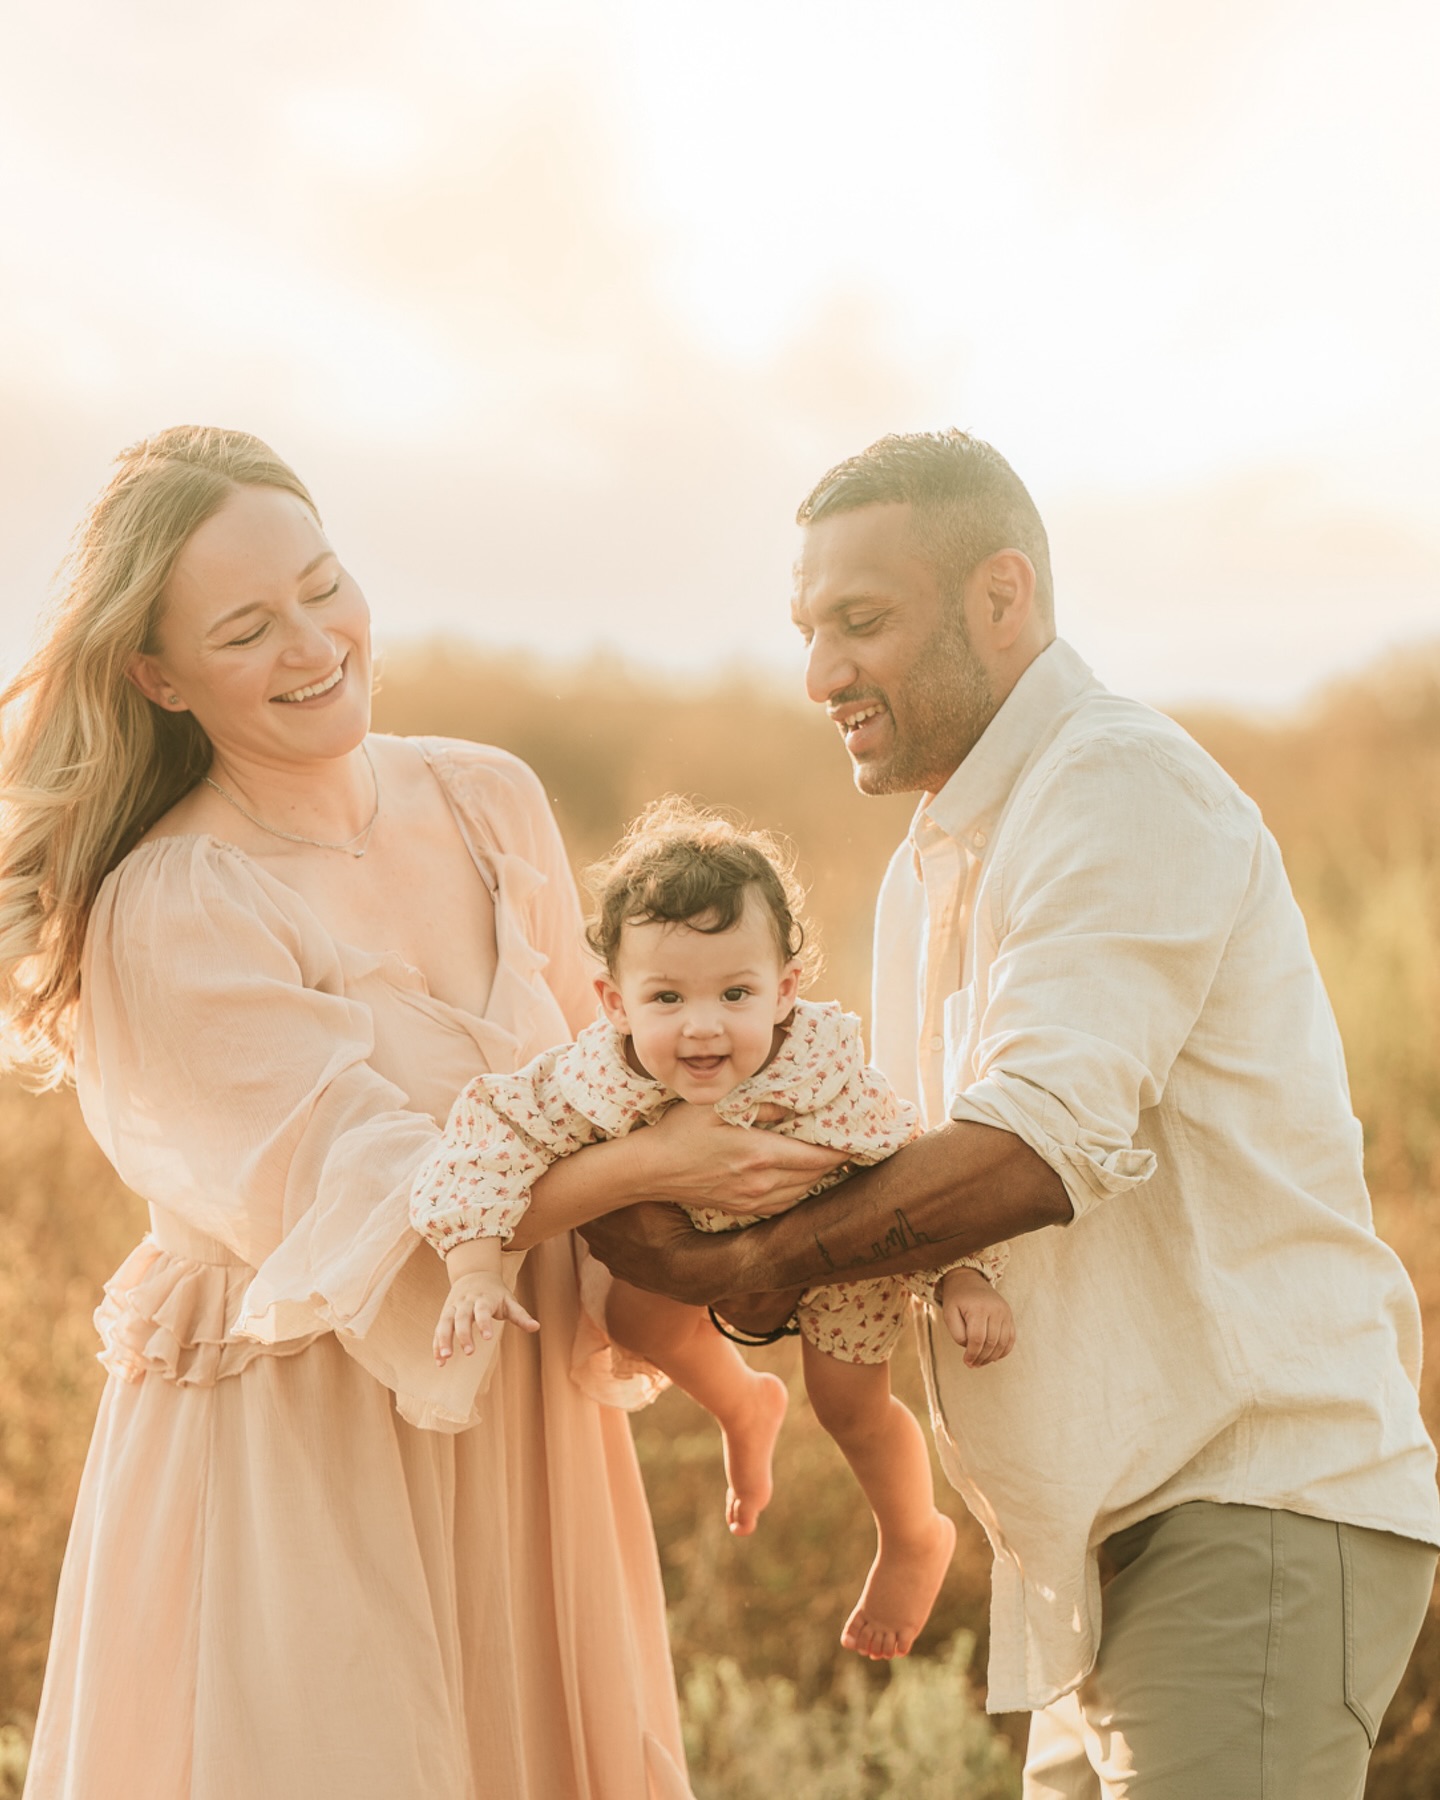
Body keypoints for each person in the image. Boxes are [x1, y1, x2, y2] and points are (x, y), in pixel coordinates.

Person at [582, 429, 1440, 1798]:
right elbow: (900, 1174)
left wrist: (752, 1270)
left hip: (1245, 1504)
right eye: (810, 631)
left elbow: (1030, 1151)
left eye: (862, 622)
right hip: (1089, 1550)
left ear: (1002, 598)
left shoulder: (1115, 787)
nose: (822, 675)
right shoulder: (933, 862)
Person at [0, 426, 836, 1800]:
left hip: (526, 1428)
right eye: (248, 629)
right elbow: (373, 1193)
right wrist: (658, 1158)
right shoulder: (175, 904)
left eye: (324, 585)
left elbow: (606, 1089)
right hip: (305, 1443)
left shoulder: (489, 797)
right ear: (158, 676)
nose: (314, 643)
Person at [409, 798, 1016, 1659]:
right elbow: (491, 1131)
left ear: (786, 990)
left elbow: (912, 1171)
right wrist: (472, 1266)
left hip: (842, 1246)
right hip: (698, 1249)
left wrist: (962, 1275)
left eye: (736, 993)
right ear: (614, 1002)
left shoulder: (821, 1075)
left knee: (851, 1403)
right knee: (633, 1317)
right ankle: (744, 1403)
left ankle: (912, 1532)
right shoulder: (595, 1077)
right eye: (667, 997)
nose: (702, 1025)